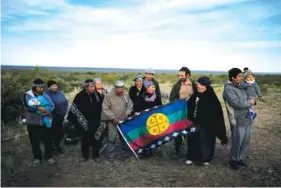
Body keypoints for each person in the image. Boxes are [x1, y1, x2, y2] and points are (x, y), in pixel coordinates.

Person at [185, 77, 228, 166]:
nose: (198, 86)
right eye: (198, 84)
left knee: (206, 142)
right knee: (193, 140)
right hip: (194, 123)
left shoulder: (211, 97)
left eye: (200, 85)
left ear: (205, 86)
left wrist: (221, 134)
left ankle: (206, 158)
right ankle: (191, 157)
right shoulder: (195, 95)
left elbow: (217, 114)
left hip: (207, 125)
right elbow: (189, 106)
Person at [223, 68, 256, 169]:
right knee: (237, 140)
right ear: (233, 78)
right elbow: (237, 104)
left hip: (247, 118)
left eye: (242, 76)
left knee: (246, 140)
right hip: (237, 119)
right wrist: (250, 102)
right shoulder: (228, 89)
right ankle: (233, 160)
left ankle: (239, 158)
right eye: (239, 76)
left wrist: (252, 98)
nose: (242, 78)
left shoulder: (241, 86)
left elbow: (250, 96)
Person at [67, 79, 102, 162]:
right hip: (84, 122)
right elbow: (74, 108)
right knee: (85, 139)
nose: (93, 88)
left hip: (96, 121)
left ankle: (96, 155)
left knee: (96, 138)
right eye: (91, 87)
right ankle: (85, 156)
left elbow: (102, 106)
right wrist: (70, 119)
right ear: (86, 87)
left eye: (94, 86)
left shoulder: (97, 95)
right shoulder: (80, 96)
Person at [23, 78, 56, 165]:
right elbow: (28, 105)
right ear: (34, 87)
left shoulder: (44, 95)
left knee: (48, 140)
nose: (41, 89)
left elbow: (52, 105)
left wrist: (47, 111)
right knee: (34, 141)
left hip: (45, 122)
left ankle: (49, 156)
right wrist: (40, 108)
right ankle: (37, 158)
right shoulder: (28, 95)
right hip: (33, 122)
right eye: (39, 87)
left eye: (42, 87)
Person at [101, 80, 133, 161]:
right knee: (112, 137)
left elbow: (130, 105)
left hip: (123, 119)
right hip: (113, 120)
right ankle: (111, 155)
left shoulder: (125, 94)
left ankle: (125, 153)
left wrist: (127, 113)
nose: (122, 91)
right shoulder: (109, 96)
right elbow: (105, 108)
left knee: (124, 136)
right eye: (120, 89)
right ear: (115, 88)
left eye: (123, 89)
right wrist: (113, 118)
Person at [169, 67, 197, 157]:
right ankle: (177, 151)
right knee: (177, 132)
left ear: (188, 75)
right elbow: (171, 98)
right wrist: (179, 103)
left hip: (191, 112)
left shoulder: (194, 84)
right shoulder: (177, 85)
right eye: (179, 75)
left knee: (190, 132)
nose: (180, 77)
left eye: (182, 75)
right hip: (179, 113)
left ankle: (191, 152)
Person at [46, 80, 68, 153]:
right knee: (52, 133)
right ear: (49, 88)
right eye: (53, 86)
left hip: (61, 116)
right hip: (52, 117)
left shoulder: (60, 93)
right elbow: (49, 106)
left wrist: (64, 112)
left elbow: (65, 102)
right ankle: (52, 148)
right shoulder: (46, 95)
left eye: (55, 85)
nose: (55, 87)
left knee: (59, 132)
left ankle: (57, 146)